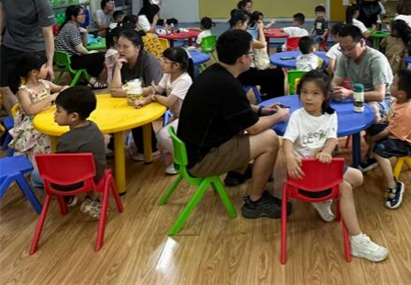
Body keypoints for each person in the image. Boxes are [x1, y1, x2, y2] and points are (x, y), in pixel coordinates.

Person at [177, 29, 291, 219]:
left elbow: (236, 107)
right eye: (251, 53)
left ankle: (237, 173)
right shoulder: (227, 84)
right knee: (270, 139)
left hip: (194, 150)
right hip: (201, 161)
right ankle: (255, 201)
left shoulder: (215, 72)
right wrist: (279, 116)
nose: (252, 57)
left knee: (242, 127)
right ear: (242, 59)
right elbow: (253, 128)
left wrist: (261, 110)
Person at [282, 70, 389, 262]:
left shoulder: (330, 115)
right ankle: (356, 240)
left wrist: (326, 151)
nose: (308, 97)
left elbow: (332, 138)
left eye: (315, 93)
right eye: (304, 92)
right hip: (304, 171)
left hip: (324, 166)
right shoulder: (297, 116)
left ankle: (323, 201)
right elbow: (288, 140)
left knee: (358, 177)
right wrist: (289, 157)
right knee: (345, 187)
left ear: (325, 96)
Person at [0, 0, 55, 116]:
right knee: (4, 86)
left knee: (34, 89)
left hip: (33, 49)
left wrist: (49, 63)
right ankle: (18, 124)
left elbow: (48, 33)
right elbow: (2, 10)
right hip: (10, 45)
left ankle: (36, 122)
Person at [361, 70, 411, 209]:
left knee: (380, 150)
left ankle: (394, 185)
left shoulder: (406, 112)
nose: (390, 84)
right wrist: (377, 125)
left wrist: (373, 139)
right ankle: (371, 159)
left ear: (401, 93)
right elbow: (389, 118)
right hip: (397, 131)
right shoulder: (397, 101)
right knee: (371, 128)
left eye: (393, 83)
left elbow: (389, 132)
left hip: (406, 142)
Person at [135, 47, 194, 175]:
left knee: (162, 136)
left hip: (188, 118)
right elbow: (158, 90)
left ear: (176, 65)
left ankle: (183, 161)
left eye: (165, 61)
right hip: (176, 115)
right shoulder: (168, 75)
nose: (161, 63)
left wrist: (154, 97)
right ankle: (179, 153)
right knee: (160, 144)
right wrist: (144, 100)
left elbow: (168, 101)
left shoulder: (184, 80)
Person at [9, 53, 66, 182]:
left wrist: (64, 88)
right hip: (32, 125)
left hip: (49, 119)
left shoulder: (45, 83)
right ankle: (45, 168)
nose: (48, 69)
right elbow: (30, 110)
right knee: (45, 138)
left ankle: (61, 161)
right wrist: (51, 98)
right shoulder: (23, 91)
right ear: (34, 72)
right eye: (45, 66)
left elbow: (59, 88)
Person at [52, 86, 106, 219]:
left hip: (75, 182)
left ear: (74, 116)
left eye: (58, 110)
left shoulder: (65, 140)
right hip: (96, 176)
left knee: (36, 176)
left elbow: (59, 167)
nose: (54, 114)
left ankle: (69, 198)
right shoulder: (94, 126)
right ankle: (88, 197)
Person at [109, 28, 163, 159]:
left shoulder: (148, 61)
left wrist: (125, 93)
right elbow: (114, 90)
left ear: (137, 47)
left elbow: (154, 88)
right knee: (115, 108)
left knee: (135, 109)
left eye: (125, 47)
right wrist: (117, 68)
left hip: (157, 97)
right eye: (118, 46)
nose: (120, 50)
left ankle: (150, 149)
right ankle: (115, 146)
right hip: (136, 96)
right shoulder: (121, 61)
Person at [331, 25, 394, 124]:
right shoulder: (343, 58)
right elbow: (335, 82)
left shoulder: (376, 60)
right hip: (358, 98)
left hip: (384, 101)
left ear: (361, 42)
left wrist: (350, 94)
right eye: (342, 48)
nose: (346, 52)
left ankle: (378, 131)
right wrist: (334, 90)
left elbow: (380, 95)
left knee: (371, 108)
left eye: (349, 48)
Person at [230, 10, 285, 101]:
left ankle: (265, 94)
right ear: (239, 23)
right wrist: (260, 29)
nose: (247, 26)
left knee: (267, 71)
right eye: (246, 23)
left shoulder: (229, 34)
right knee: (278, 73)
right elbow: (262, 44)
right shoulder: (242, 37)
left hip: (233, 73)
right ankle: (274, 101)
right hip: (242, 74)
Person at [55, 5, 107, 89]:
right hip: (71, 61)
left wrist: (85, 32)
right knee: (101, 56)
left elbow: (83, 45)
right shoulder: (71, 27)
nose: (84, 16)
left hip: (64, 61)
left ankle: (89, 80)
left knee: (96, 55)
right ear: (73, 17)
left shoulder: (69, 25)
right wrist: (89, 53)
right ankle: (92, 81)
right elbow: (79, 48)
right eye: (81, 14)